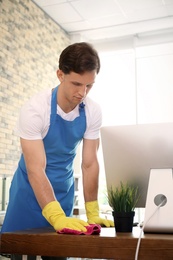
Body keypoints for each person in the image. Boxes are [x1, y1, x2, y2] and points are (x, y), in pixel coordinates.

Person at [1, 42, 114, 240]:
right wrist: (55, 216)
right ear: (60, 75)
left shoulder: (92, 110)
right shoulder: (36, 109)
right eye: (77, 84)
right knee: (19, 248)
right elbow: (36, 169)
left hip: (63, 193)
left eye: (89, 85)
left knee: (58, 253)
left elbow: (89, 164)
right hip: (29, 195)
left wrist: (93, 211)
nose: (83, 93)